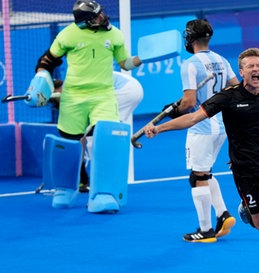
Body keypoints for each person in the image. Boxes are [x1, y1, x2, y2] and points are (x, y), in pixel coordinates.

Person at [144, 47, 259, 273]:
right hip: (244, 169)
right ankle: (246, 207)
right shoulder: (228, 96)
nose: (256, 70)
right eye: (250, 67)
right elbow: (193, 118)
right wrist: (159, 128)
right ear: (241, 72)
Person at [36, 0, 143, 201]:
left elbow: (125, 63)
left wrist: (140, 58)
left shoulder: (115, 34)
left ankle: (104, 193)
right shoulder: (67, 35)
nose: (102, 17)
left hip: (103, 95)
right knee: (69, 143)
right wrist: (39, 81)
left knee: (106, 141)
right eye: (96, 16)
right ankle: (66, 190)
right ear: (85, 22)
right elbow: (47, 61)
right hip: (73, 97)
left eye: (101, 13)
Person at [169, 19, 239, 243]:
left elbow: (189, 102)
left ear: (189, 38)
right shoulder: (221, 60)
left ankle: (206, 230)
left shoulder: (190, 64)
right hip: (221, 127)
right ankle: (223, 214)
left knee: (197, 177)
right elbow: (235, 88)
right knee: (205, 173)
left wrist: (174, 110)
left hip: (201, 126)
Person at [50, 71, 144, 191]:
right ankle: (99, 179)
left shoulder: (72, 85)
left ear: (58, 89)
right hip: (132, 90)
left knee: (95, 133)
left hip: (124, 90)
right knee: (105, 132)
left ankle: (99, 183)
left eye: (57, 97)